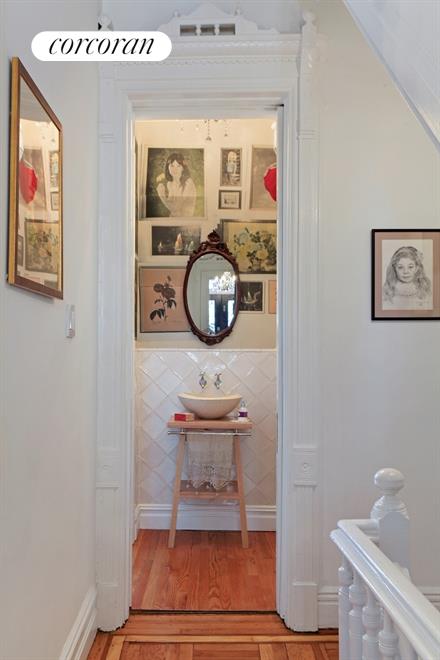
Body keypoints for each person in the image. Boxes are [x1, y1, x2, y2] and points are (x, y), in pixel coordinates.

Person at [383, 245, 432, 310]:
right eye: (400, 267)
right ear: (394, 268)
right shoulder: (388, 290)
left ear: (417, 268)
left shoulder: (424, 289)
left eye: (410, 267)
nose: (406, 271)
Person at [156, 152, 197, 216]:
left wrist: (162, 195)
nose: (175, 169)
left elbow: (175, 208)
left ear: (183, 168)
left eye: (178, 166)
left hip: (186, 220)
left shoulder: (188, 182)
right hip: (173, 219)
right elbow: (170, 206)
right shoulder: (170, 184)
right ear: (168, 167)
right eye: (172, 165)